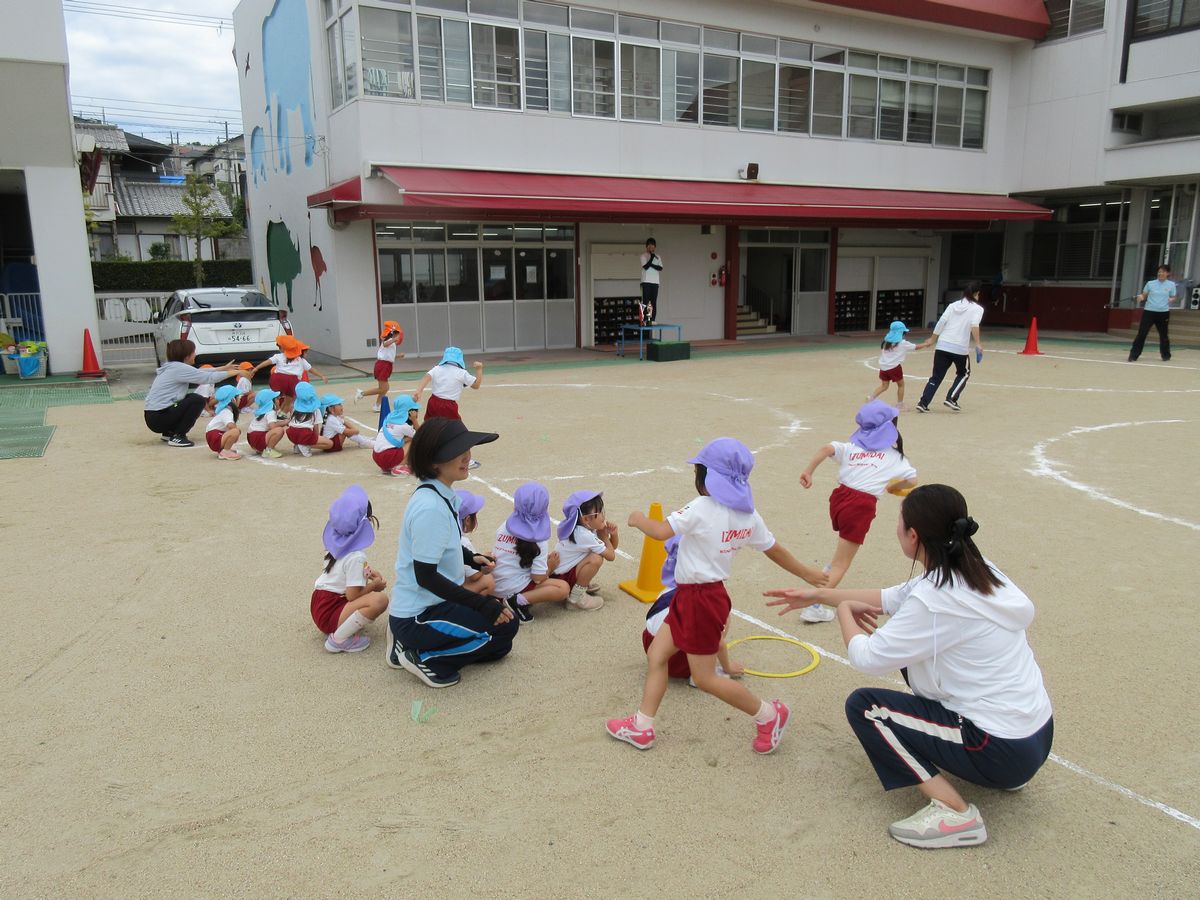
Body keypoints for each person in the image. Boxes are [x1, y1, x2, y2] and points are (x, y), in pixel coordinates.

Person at [765, 484, 1054, 849]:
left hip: (999, 748)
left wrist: (841, 613)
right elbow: (892, 597)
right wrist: (820, 594)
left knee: (867, 708)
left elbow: (867, 658)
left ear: (913, 535)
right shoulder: (979, 570)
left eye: (899, 523)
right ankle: (998, 774)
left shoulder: (934, 600)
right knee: (917, 667)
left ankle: (956, 812)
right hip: (1037, 738)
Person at [605, 438, 827, 754]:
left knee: (706, 678)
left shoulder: (702, 507)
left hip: (699, 601)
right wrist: (807, 573)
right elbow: (774, 550)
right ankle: (642, 726)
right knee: (657, 654)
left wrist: (638, 518)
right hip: (698, 596)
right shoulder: (748, 515)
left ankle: (769, 714)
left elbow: (659, 532)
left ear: (706, 476)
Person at [387, 417, 516, 689]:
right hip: (419, 613)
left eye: (467, 449)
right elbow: (426, 576)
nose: (467, 456)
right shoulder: (431, 508)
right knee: (503, 632)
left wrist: (470, 558)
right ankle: (423, 657)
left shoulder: (438, 494)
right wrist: (481, 603)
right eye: (457, 452)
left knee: (500, 646)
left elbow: (438, 545)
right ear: (435, 462)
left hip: (428, 605)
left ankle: (406, 641)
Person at [796, 399, 917, 622]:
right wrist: (893, 487)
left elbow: (827, 448)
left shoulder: (852, 447)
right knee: (842, 563)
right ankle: (814, 605)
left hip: (840, 499)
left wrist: (808, 471)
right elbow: (912, 480)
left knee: (840, 553)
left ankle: (827, 573)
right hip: (860, 506)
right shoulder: (895, 457)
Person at [642, 536, 742, 684]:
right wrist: (728, 667)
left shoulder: (669, 587)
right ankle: (699, 674)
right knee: (723, 616)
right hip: (678, 659)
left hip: (651, 647)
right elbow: (717, 641)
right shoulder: (703, 596)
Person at [312, 485, 390, 653]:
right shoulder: (356, 557)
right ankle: (338, 640)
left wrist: (369, 572)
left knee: (370, 598)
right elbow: (352, 595)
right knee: (379, 600)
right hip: (330, 610)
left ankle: (340, 628)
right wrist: (374, 586)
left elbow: (344, 570)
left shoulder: (335, 546)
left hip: (320, 603)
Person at [491, 482, 571, 623]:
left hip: (493, 585)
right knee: (563, 588)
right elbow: (538, 578)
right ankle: (516, 602)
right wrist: (551, 565)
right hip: (512, 587)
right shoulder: (539, 540)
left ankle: (503, 599)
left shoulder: (504, 526)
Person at [142, 339, 238, 447]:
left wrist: (223, 369)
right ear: (186, 356)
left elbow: (200, 372)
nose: (195, 355)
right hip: (159, 417)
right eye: (193, 352)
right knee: (196, 400)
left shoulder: (173, 366)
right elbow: (207, 378)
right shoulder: (179, 368)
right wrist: (237, 372)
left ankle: (169, 432)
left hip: (154, 416)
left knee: (189, 398)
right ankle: (178, 436)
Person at [914, 282, 985, 413]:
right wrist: (978, 343)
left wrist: (933, 339)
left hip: (942, 345)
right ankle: (951, 398)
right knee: (964, 373)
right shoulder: (978, 309)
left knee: (936, 376)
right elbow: (975, 325)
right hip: (959, 348)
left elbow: (941, 322)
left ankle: (923, 403)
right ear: (976, 294)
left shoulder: (952, 306)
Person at [550, 490, 616, 610]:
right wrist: (605, 537)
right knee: (596, 558)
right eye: (599, 512)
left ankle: (579, 585)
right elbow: (610, 556)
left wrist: (613, 535)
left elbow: (610, 549)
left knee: (596, 553)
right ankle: (575, 599)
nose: (603, 515)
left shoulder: (584, 529)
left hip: (561, 574)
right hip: (561, 578)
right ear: (586, 519)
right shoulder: (583, 535)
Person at [411, 347, 484, 424]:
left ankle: (424, 434)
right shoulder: (461, 372)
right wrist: (479, 369)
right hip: (448, 405)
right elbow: (476, 385)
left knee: (430, 424)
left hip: (433, 401)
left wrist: (419, 391)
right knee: (454, 427)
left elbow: (427, 377)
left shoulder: (437, 368)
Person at [1128, 264, 1176, 362]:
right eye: (1159, 272)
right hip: (1149, 312)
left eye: (1163, 271)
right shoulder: (1150, 283)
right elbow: (1144, 295)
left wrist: (1172, 299)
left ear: (1168, 273)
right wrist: (1141, 297)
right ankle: (1133, 355)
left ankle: (1166, 355)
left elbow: (1173, 296)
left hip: (1163, 313)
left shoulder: (1171, 285)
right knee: (1142, 334)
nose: (1160, 273)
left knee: (1164, 335)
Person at [455, 489, 497, 597]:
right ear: (468, 520)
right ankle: (467, 607)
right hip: (446, 594)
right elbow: (474, 576)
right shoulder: (463, 541)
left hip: (434, 585)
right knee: (488, 581)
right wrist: (486, 559)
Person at [356, 321, 405, 412]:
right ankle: (362, 393)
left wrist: (398, 356)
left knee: (383, 388)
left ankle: (377, 405)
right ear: (392, 333)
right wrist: (394, 339)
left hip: (386, 365)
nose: (399, 336)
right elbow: (385, 344)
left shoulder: (392, 343)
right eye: (397, 333)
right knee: (384, 388)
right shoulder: (387, 340)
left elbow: (388, 356)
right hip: (383, 365)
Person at [869, 321, 920, 407]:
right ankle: (900, 404)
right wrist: (927, 344)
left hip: (884, 367)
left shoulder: (885, 342)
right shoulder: (902, 343)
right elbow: (916, 347)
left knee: (884, 386)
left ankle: (871, 397)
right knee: (901, 385)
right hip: (895, 367)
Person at [373, 396, 419, 476]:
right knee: (414, 440)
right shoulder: (404, 426)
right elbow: (420, 434)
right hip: (387, 457)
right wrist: (414, 420)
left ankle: (388, 466)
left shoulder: (388, 419)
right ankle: (399, 466)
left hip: (377, 456)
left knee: (406, 438)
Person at [286, 382, 333, 457]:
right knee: (330, 444)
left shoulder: (294, 407)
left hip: (291, 433)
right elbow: (316, 427)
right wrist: (315, 438)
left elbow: (291, 421)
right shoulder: (315, 409)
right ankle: (305, 445)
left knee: (298, 431)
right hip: (305, 433)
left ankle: (298, 445)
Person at [204, 384, 243, 460]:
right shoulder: (226, 411)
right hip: (214, 436)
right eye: (238, 396)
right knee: (235, 431)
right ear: (232, 399)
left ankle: (224, 449)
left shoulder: (225, 410)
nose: (240, 398)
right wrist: (236, 433)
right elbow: (230, 426)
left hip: (214, 435)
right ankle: (225, 451)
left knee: (235, 431)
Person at [246, 388, 287, 458]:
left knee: (273, 428)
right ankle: (268, 450)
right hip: (257, 438)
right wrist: (285, 422)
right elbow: (273, 426)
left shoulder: (261, 411)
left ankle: (260, 449)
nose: (278, 401)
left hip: (251, 438)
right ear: (271, 402)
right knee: (279, 430)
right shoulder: (271, 412)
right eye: (277, 399)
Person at [639, 238, 662, 324]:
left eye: (652, 246)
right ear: (646, 247)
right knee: (645, 301)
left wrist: (652, 262)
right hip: (646, 281)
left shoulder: (658, 257)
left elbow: (660, 267)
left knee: (653, 302)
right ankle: (643, 319)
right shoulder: (643, 256)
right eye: (649, 246)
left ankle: (651, 319)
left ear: (655, 247)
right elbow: (646, 266)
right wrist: (651, 258)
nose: (651, 247)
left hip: (655, 282)